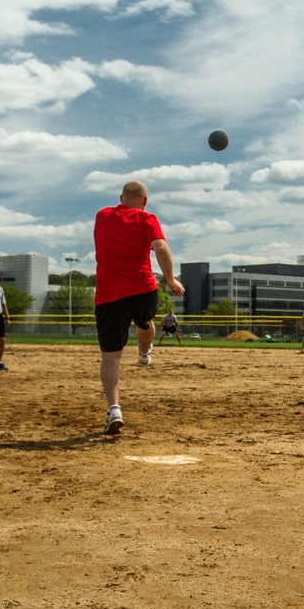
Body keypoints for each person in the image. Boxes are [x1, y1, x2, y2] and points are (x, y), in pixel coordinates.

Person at [94, 180, 185, 434]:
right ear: (144, 202)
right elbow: (160, 246)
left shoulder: (102, 216)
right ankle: (144, 351)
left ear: (121, 197)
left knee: (111, 355)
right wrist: (170, 279)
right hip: (142, 289)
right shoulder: (147, 218)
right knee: (145, 323)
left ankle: (114, 409)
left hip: (108, 294)